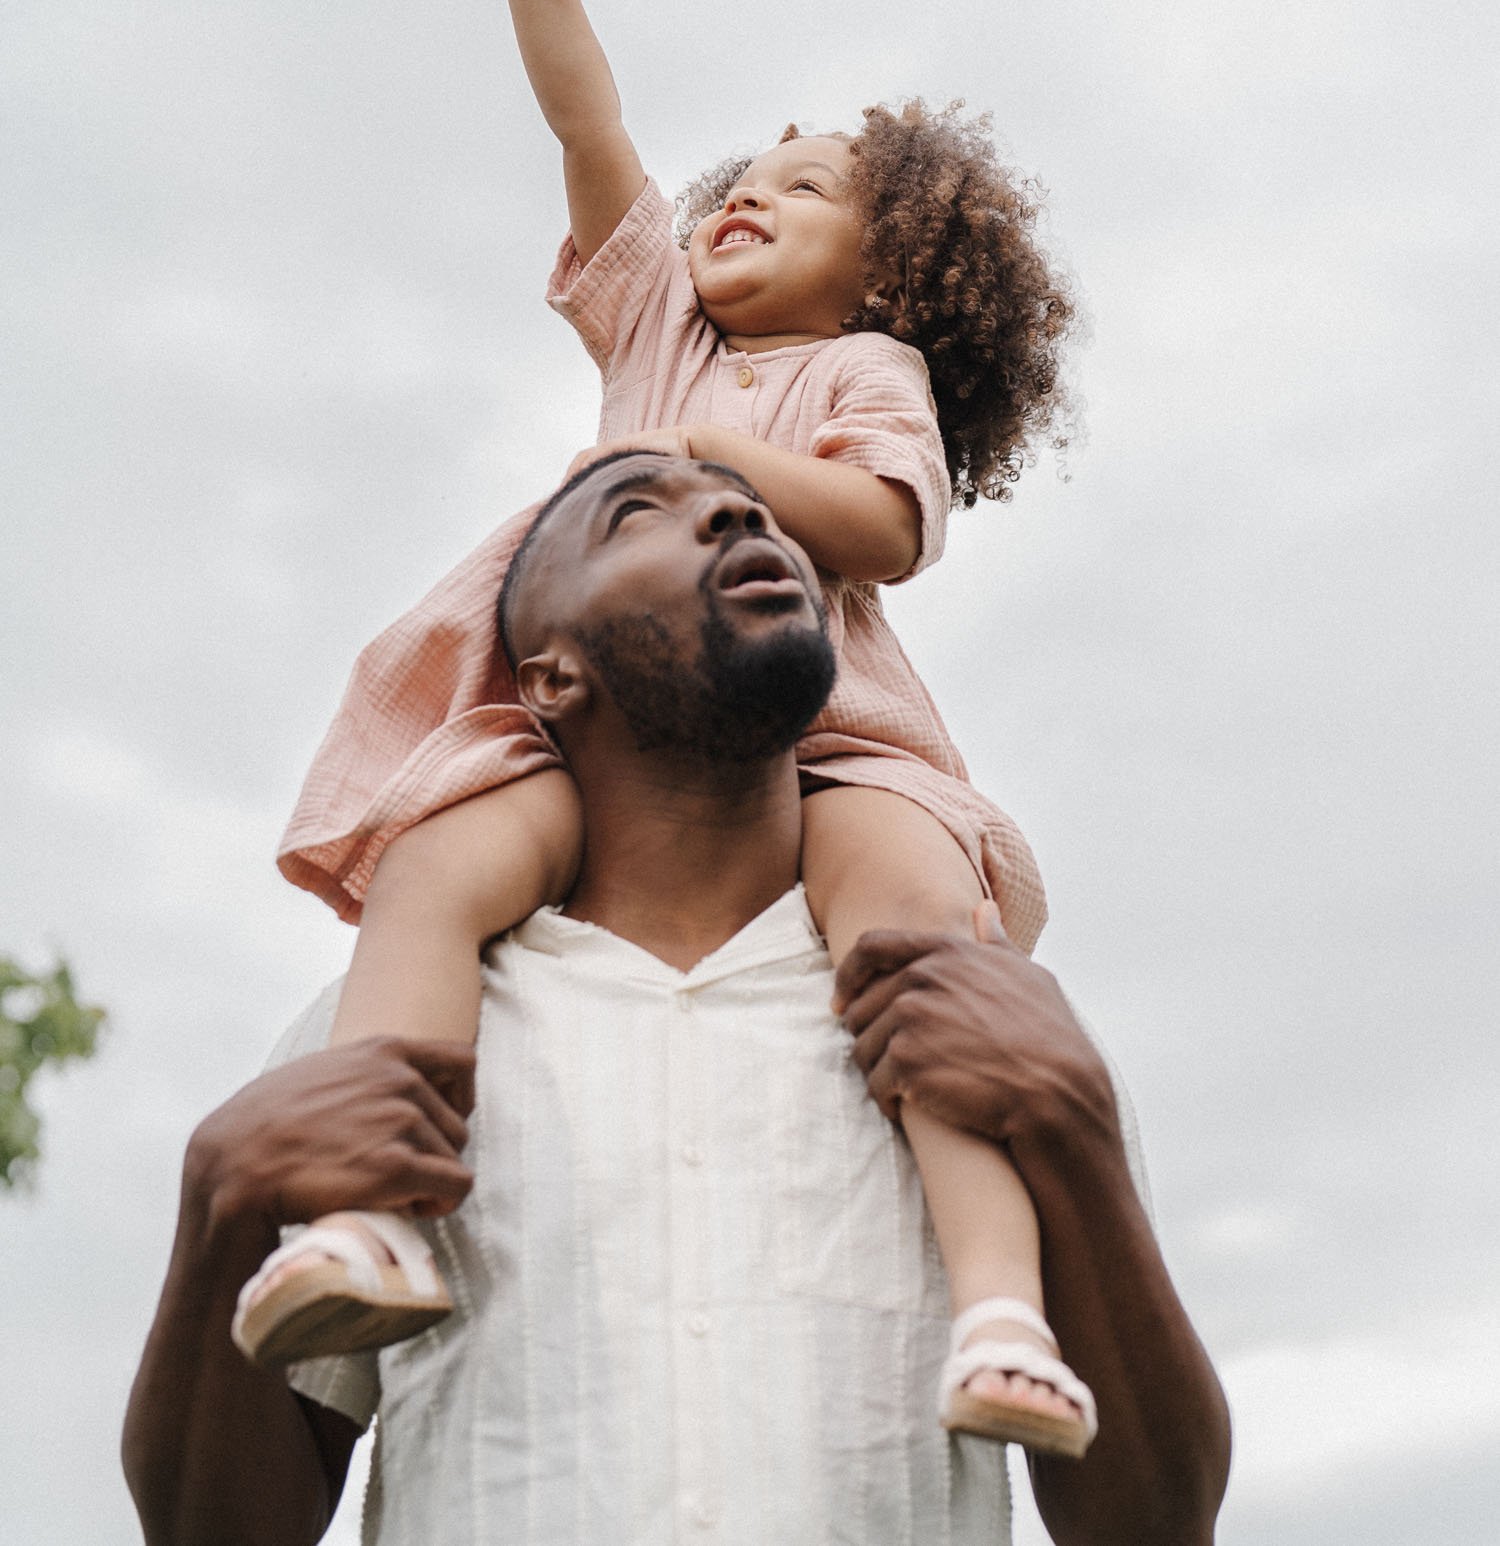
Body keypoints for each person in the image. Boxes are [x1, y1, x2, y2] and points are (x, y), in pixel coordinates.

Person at [245, 0, 1085, 1452]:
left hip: (828, 742)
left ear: (894, 268)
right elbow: (586, 120)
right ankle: (378, 1213)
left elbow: (889, 533)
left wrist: (711, 455)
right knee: (437, 876)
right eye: (734, 181)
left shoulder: (860, 368)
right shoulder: (660, 336)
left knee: (912, 940)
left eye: (804, 187)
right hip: (600, 717)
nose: (739, 196)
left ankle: (1001, 1305)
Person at [122, 455, 1231, 1546]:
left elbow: (1154, 1524)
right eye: (637, 514)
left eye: (745, 507)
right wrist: (219, 1217)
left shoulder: (984, 1023)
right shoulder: (381, 1029)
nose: (741, 509)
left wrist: (1075, 1131)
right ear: (550, 678)